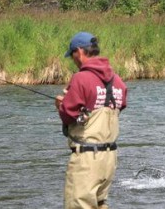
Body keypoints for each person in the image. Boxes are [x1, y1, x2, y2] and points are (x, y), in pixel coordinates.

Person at [55, 32, 127, 209]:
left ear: (79, 51)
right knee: (100, 203)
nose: (73, 60)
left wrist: (61, 105)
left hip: (87, 158)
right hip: (110, 157)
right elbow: (121, 104)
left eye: (72, 55)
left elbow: (68, 115)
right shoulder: (117, 80)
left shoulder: (80, 78)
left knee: (78, 205)